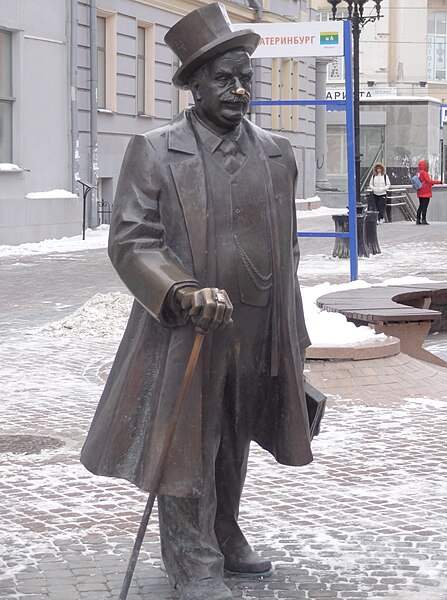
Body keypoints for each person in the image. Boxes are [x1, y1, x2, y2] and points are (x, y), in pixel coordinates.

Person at [80, 4, 314, 600]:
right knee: (191, 437)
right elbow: (132, 240)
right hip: (189, 327)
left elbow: (286, 249)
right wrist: (181, 289)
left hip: (259, 322)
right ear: (194, 85)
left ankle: (225, 530)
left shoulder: (279, 154)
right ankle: (191, 555)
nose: (238, 90)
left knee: (236, 433)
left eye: (246, 79)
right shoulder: (156, 151)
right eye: (224, 79)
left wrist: (293, 329)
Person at [415, 159, 441, 225]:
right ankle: (424, 219)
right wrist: (439, 182)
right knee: (425, 206)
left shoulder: (418, 172)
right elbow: (429, 181)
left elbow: (423, 181)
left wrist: (429, 183)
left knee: (420, 206)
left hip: (420, 191)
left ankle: (418, 219)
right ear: (425, 166)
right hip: (425, 193)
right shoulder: (424, 172)